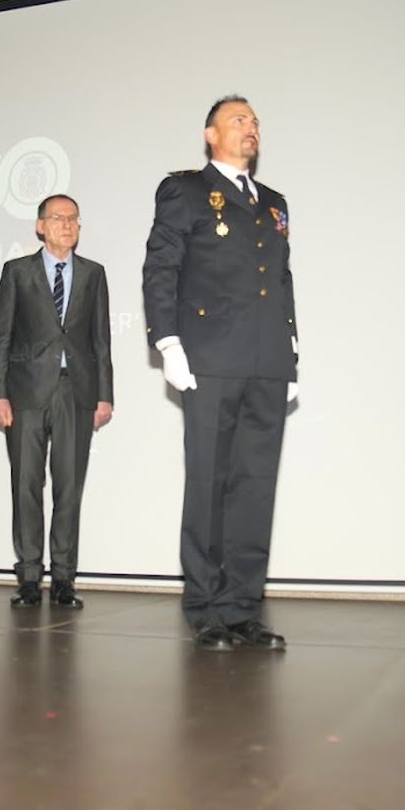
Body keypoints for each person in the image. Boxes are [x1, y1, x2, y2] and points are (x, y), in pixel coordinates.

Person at [141, 95, 298, 651]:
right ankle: (205, 606)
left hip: (267, 362)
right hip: (209, 358)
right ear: (211, 134)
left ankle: (242, 607)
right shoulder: (183, 190)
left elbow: (281, 279)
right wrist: (167, 341)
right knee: (209, 481)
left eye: (255, 120)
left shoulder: (274, 202)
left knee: (255, 487)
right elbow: (161, 265)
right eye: (238, 120)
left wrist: (290, 349)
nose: (250, 127)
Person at [0, 195, 114, 609]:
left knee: (69, 487)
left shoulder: (94, 274)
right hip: (24, 393)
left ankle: (63, 578)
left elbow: (100, 340)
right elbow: (1, 337)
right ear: (40, 226)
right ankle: (27, 577)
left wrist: (104, 395)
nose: (67, 224)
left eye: (74, 218)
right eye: (58, 218)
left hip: (76, 391)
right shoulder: (17, 272)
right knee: (25, 485)